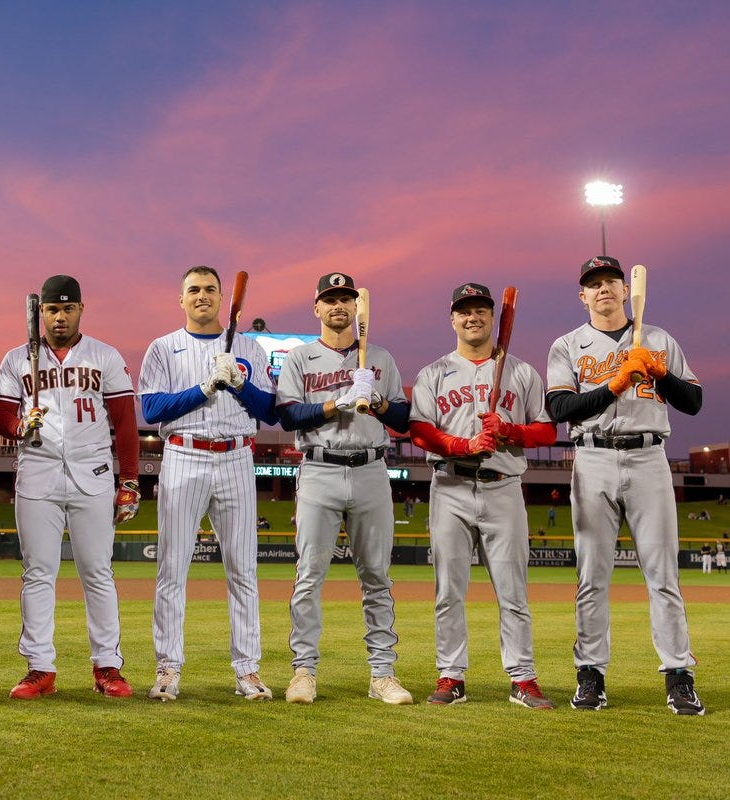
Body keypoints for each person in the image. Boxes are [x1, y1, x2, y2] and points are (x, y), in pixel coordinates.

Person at [547, 256, 705, 715]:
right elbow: (561, 410)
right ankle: (590, 674)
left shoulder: (659, 339)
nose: (603, 290)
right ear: (583, 296)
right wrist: (616, 384)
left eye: (610, 282)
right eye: (593, 284)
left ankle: (679, 675)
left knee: (663, 576)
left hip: (649, 456)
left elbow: (693, 402)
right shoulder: (568, 345)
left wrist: (659, 373)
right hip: (592, 456)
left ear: (623, 289)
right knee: (592, 576)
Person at [409, 282, 557, 709]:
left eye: (480, 310)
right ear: (452, 319)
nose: (472, 317)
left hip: (504, 487)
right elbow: (420, 430)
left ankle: (523, 678)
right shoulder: (434, 373)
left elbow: (546, 430)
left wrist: (508, 430)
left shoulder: (523, 372)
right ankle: (451, 676)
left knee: (513, 591)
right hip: (450, 486)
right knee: (448, 590)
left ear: (494, 318)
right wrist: (462, 445)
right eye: (464, 311)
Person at [0, 275, 140, 699]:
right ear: (42, 313)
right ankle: (40, 668)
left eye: (67, 308)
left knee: (98, 572)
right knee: (39, 573)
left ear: (80, 310)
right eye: (52, 309)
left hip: (92, 474)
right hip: (37, 472)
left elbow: (125, 423)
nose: (60, 316)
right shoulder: (18, 358)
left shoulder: (104, 355)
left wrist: (129, 479)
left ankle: (108, 666)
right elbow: (1, 415)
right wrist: (21, 424)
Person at [139, 265, 278, 701]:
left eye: (210, 290)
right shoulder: (163, 347)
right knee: (173, 569)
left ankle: (248, 669)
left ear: (223, 299)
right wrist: (204, 387)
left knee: (243, 570)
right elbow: (151, 408)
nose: (202, 296)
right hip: (183, 454)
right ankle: (168, 667)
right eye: (193, 290)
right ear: (181, 299)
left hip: (237, 455)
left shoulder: (250, 348)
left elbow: (271, 410)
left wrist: (239, 385)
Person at [275, 272, 414, 705]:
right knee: (309, 576)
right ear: (316, 308)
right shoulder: (299, 358)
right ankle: (304, 671)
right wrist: (336, 402)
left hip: (372, 470)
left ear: (357, 309)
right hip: (319, 470)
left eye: (346, 300)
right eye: (330, 300)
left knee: (376, 576)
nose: (339, 306)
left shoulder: (381, 358)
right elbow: (289, 417)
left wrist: (377, 401)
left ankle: (383, 674)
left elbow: (403, 419)